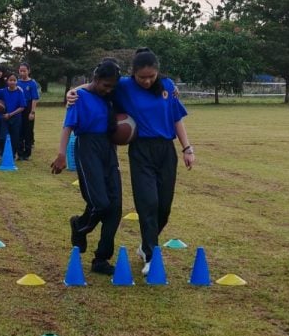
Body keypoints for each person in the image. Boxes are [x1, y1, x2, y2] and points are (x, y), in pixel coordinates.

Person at [68, 49, 194, 276]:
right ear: (133, 74)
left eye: (151, 77)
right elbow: (96, 87)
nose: (147, 81)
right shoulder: (124, 86)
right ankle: (150, 255)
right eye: (142, 77)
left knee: (163, 208)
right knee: (148, 203)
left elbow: (177, 118)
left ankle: (147, 243)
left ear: (158, 73)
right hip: (141, 151)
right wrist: (73, 91)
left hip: (166, 151)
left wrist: (187, 148)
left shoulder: (167, 87)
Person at [52, 59, 122, 275]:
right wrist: (61, 154)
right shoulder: (79, 97)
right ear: (96, 79)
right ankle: (80, 226)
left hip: (108, 149)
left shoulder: (111, 97)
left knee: (115, 208)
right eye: (105, 85)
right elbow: (68, 126)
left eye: (112, 86)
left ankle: (101, 259)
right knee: (99, 202)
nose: (108, 89)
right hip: (87, 147)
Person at [0, 73, 28, 159]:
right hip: (5, 118)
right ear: (7, 81)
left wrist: (10, 114)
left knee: (15, 137)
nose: (12, 82)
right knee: (3, 136)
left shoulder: (20, 92)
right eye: (10, 80)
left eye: (14, 80)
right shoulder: (3, 91)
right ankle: (4, 153)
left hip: (15, 118)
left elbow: (22, 107)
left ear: (17, 81)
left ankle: (13, 154)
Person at [17, 63, 40, 160]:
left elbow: (35, 98)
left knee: (28, 131)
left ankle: (27, 154)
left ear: (28, 71)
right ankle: (19, 153)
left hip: (28, 108)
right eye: (20, 70)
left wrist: (32, 112)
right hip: (19, 108)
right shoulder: (17, 82)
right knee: (19, 131)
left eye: (24, 71)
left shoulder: (32, 83)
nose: (22, 72)